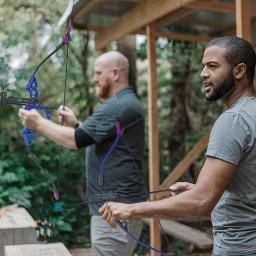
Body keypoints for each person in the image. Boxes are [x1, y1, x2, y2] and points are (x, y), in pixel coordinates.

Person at [99, 36, 256, 256]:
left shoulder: (234, 120)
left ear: (239, 71)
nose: (203, 73)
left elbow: (201, 203)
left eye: (212, 66)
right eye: (203, 66)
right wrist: (197, 189)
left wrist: (132, 208)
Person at [19, 51, 147, 256]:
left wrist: (38, 123)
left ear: (115, 74)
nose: (94, 78)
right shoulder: (122, 104)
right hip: (113, 209)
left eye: (97, 73)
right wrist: (76, 124)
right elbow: (91, 139)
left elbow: (74, 141)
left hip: (114, 211)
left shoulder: (120, 105)